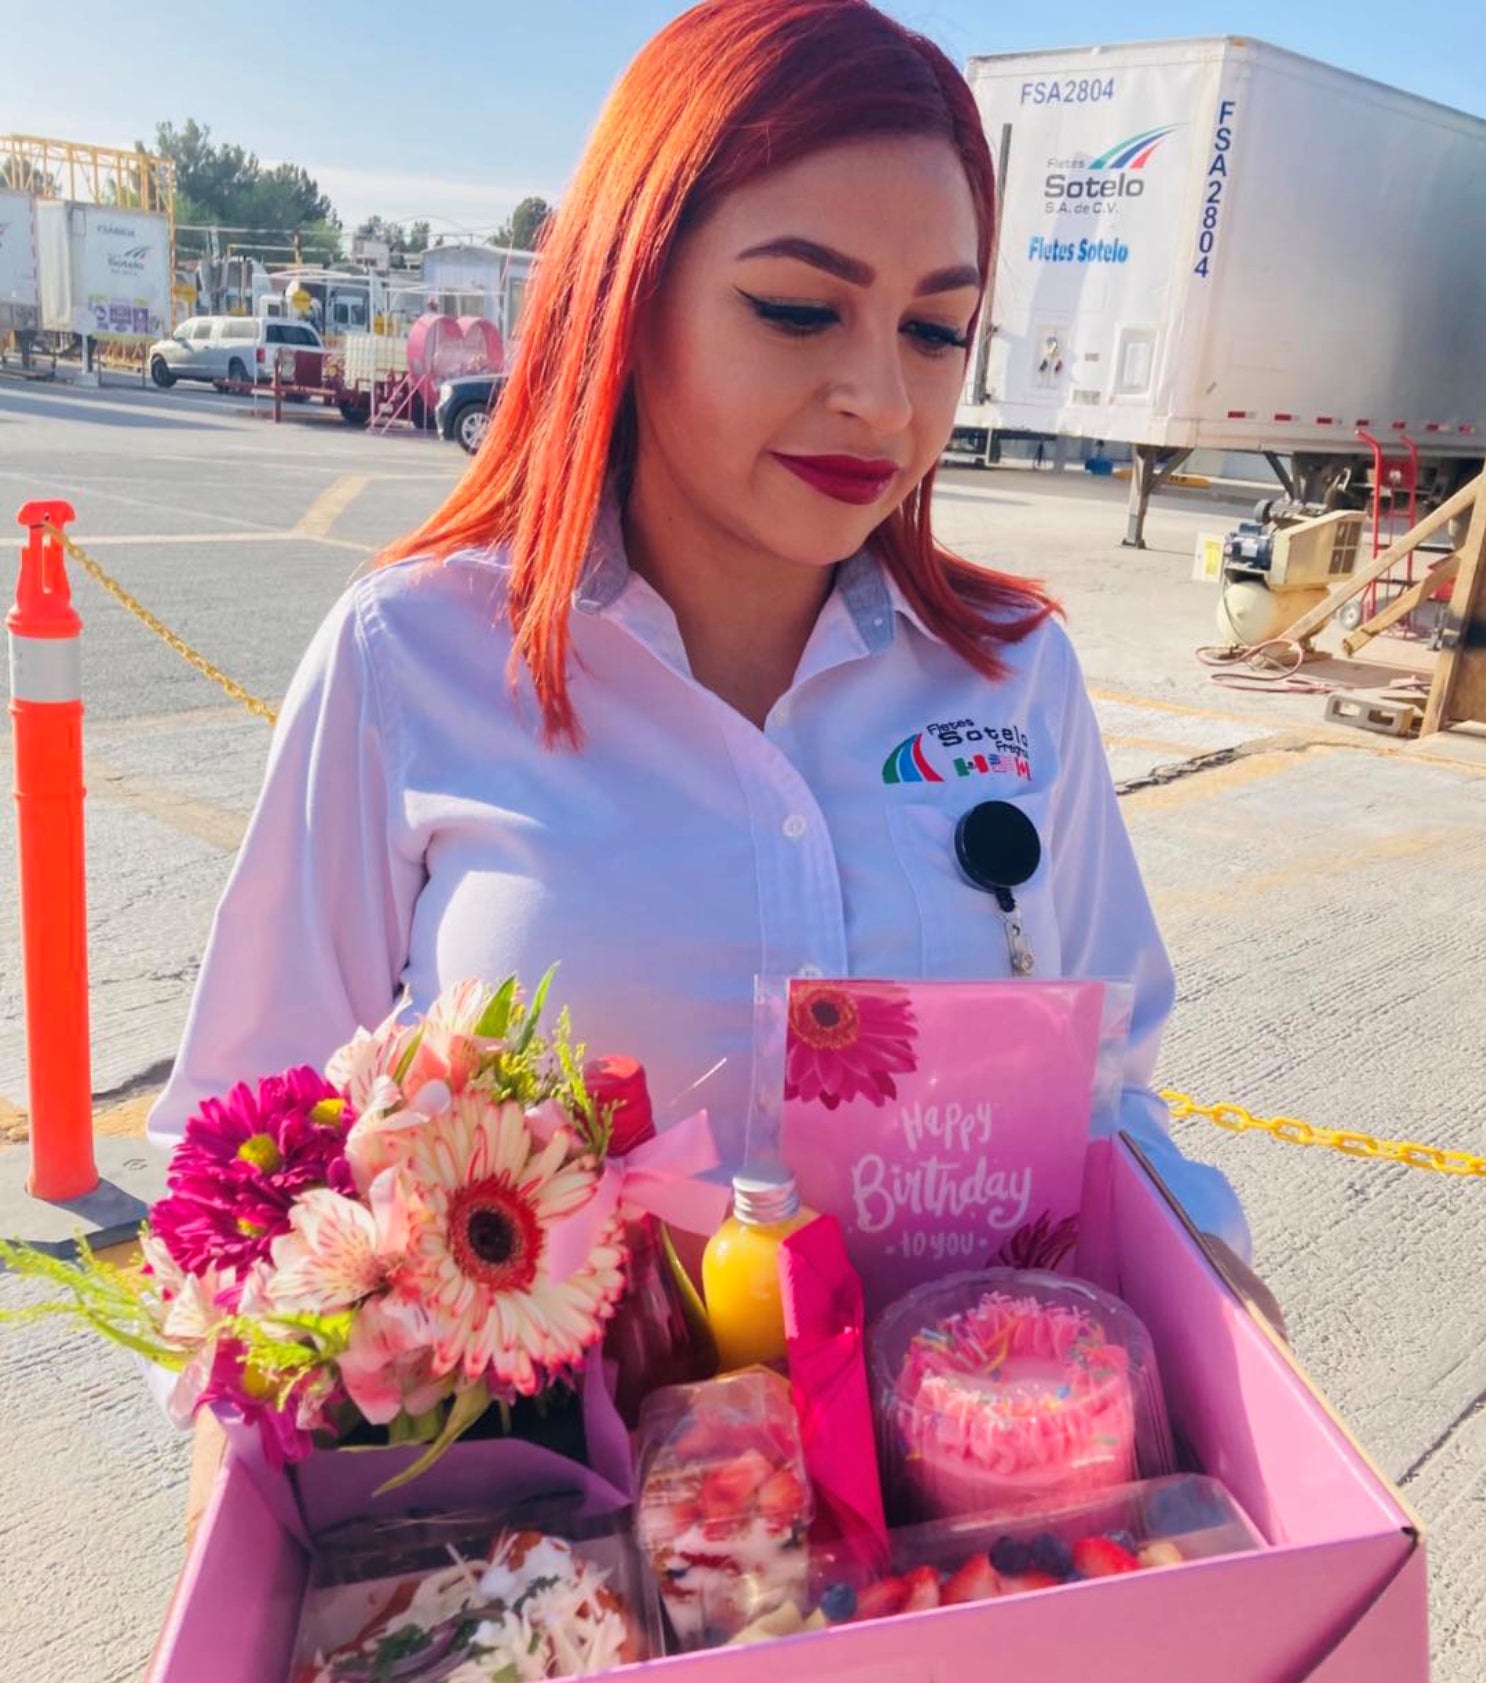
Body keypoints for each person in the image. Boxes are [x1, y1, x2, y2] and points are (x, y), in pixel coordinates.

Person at [149, 0, 1269, 1306]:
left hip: (952, 1428)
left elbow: (1108, 1105)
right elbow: (243, 1167)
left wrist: (1211, 1292)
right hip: (541, 1444)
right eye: (797, 309)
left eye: (934, 331)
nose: (881, 401)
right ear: (626, 297)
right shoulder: (414, 657)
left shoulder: (1014, 676)